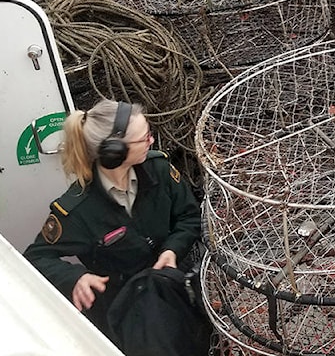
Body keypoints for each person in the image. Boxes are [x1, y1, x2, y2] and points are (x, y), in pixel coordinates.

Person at [23, 99, 202, 343]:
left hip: (174, 287)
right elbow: (36, 257)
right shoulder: (77, 210)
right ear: (114, 152)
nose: (151, 141)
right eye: (144, 137)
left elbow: (189, 216)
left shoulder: (158, 169)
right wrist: (76, 277)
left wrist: (172, 249)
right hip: (127, 311)